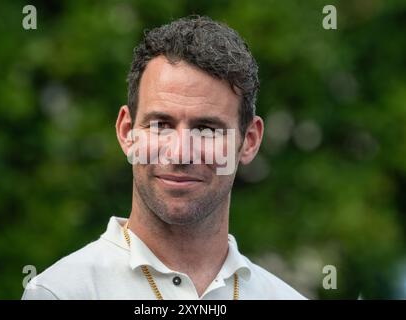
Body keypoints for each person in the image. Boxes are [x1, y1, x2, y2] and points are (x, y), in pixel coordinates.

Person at [22, 15, 305, 300]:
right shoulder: (60, 293)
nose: (180, 153)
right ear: (126, 131)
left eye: (206, 129)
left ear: (250, 141)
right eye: (161, 125)